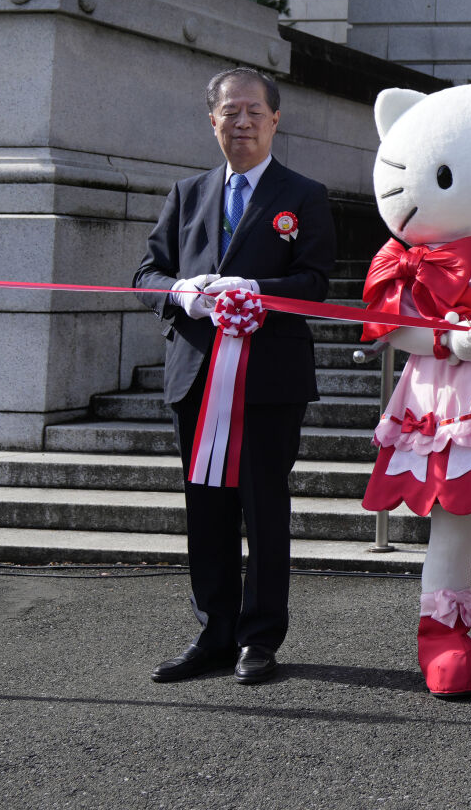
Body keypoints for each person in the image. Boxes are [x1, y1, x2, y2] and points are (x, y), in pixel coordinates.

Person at [133, 68, 336, 685]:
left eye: (254, 112)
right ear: (212, 120)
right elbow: (146, 273)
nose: (241, 123)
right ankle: (214, 632)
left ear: (275, 120)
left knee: (264, 508)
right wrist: (180, 294)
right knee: (206, 510)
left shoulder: (305, 194)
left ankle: (259, 637)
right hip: (195, 376)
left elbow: (316, 286)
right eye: (230, 113)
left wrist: (255, 290)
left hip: (268, 382)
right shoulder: (187, 192)